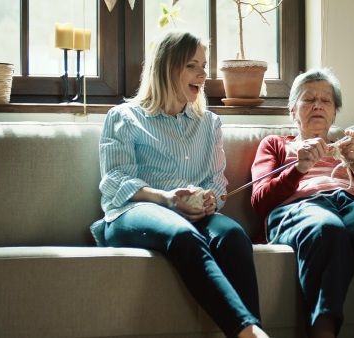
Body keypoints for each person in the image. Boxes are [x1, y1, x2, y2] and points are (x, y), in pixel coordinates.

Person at [90, 30, 269, 338]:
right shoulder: (124, 116)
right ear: (166, 67)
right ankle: (248, 333)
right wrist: (166, 198)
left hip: (193, 214)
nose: (203, 73)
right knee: (183, 234)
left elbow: (216, 179)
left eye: (204, 64)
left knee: (234, 237)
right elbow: (115, 181)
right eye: (192, 65)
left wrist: (212, 198)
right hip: (133, 211)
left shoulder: (209, 123)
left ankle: (254, 330)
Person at [250, 68, 354, 338]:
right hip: (302, 207)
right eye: (308, 99)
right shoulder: (275, 144)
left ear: (335, 112)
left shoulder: (347, 149)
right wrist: (298, 168)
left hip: (351, 205)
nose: (317, 105)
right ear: (292, 111)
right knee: (326, 227)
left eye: (326, 100)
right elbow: (259, 202)